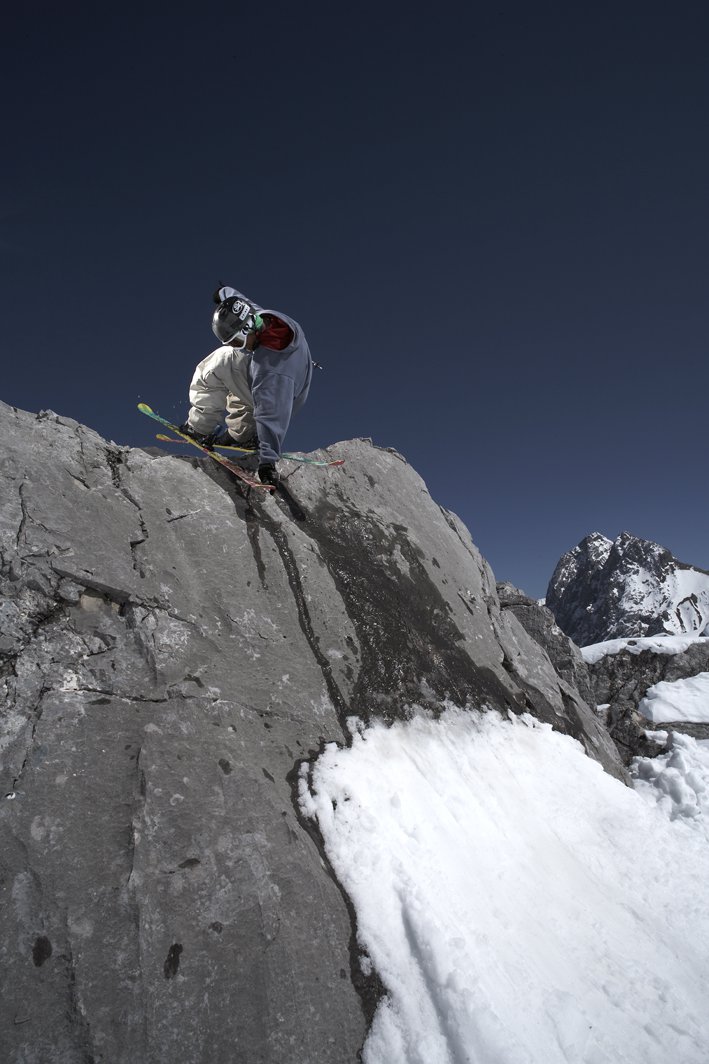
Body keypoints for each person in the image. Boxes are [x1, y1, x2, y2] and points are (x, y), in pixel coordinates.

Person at [180, 285, 313, 486]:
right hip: (291, 389)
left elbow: (271, 415)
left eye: (236, 341)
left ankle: (200, 426)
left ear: (246, 330)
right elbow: (240, 302)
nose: (235, 346)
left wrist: (267, 462)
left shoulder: (269, 370)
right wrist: (224, 292)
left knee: (221, 362)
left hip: (282, 399)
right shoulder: (263, 317)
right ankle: (242, 433)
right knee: (240, 367)